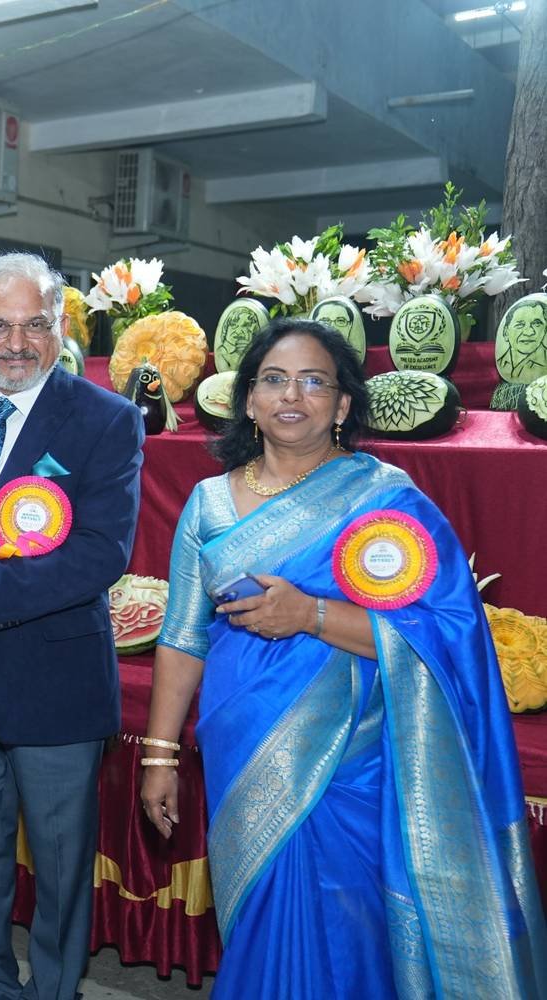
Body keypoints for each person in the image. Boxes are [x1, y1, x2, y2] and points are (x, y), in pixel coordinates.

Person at [139, 318, 547, 996]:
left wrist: (311, 615)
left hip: (353, 760)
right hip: (242, 746)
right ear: (248, 400)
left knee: (348, 927)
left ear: (343, 404)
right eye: (273, 379)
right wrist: (158, 757)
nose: (291, 395)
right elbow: (184, 638)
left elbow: (445, 633)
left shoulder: (382, 497)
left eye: (313, 381)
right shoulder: (208, 504)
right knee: (261, 918)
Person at [0, 252, 143, 1000]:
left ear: (61, 327)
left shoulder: (107, 419)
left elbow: (101, 554)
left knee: (63, 861)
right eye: (0, 326)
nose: (17, 344)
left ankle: (55, 989)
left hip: (56, 673)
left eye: (35, 325)